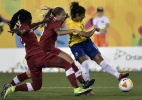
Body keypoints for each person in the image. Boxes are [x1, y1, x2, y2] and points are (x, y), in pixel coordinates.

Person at [1, 9, 92, 100]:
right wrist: (19, 31)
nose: (31, 21)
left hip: (31, 60)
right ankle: (77, 89)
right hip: (39, 56)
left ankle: (11, 88)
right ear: (28, 19)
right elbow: (23, 30)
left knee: (36, 85)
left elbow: (28, 27)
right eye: (31, 19)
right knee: (66, 63)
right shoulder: (24, 28)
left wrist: (42, 21)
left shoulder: (26, 27)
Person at [67, 2, 129, 85]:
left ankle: (119, 75)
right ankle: (87, 85)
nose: (84, 16)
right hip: (76, 45)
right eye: (82, 15)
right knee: (85, 63)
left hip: (86, 42)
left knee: (99, 58)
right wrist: (94, 29)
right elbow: (86, 34)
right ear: (77, 15)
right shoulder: (71, 25)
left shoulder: (76, 17)